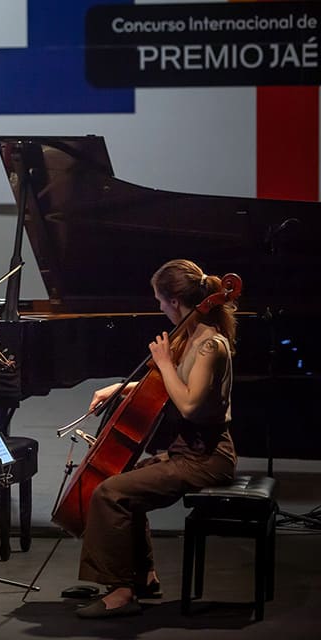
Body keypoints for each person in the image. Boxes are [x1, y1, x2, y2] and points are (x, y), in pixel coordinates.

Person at [75, 259, 238, 618]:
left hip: (206, 458)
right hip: (187, 451)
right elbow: (173, 385)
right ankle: (143, 577)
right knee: (121, 482)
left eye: (160, 301)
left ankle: (120, 592)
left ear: (175, 301)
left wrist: (163, 362)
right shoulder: (192, 337)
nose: (159, 307)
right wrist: (120, 387)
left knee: (110, 494)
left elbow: (190, 405)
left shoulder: (210, 345)